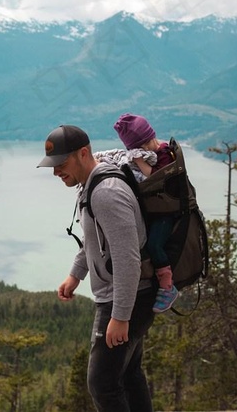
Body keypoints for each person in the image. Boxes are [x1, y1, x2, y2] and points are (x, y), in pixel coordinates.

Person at [37, 124, 156, 412]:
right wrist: (75, 275)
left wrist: (120, 316)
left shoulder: (106, 192)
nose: (56, 172)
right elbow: (96, 241)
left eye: (61, 164)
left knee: (102, 383)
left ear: (83, 153)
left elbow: (128, 259)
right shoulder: (92, 183)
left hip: (125, 297)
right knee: (128, 374)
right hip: (129, 295)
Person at [114, 113, 179, 313]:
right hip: (158, 209)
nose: (143, 151)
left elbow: (154, 177)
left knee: (154, 245)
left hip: (167, 212)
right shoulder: (155, 151)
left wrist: (139, 160)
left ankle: (168, 286)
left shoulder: (165, 153)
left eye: (143, 147)